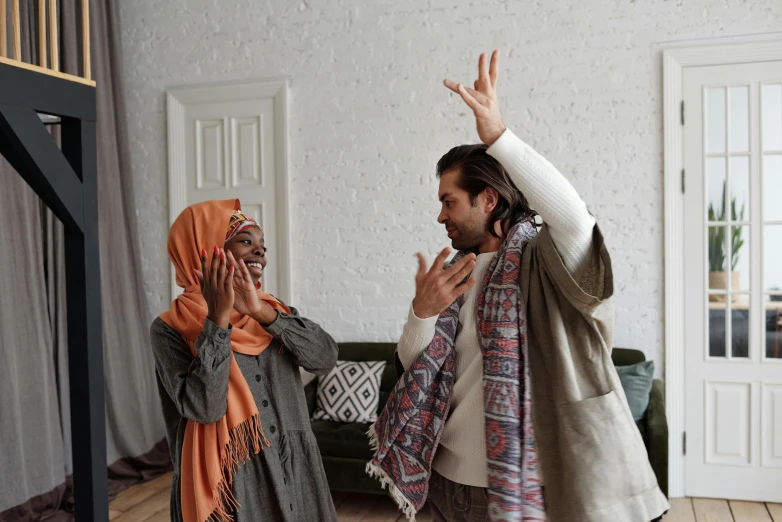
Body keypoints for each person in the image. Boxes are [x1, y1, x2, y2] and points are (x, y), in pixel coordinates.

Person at [367, 51, 669, 522]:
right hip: (445, 483)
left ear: (488, 199)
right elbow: (415, 365)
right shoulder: (455, 272)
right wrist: (421, 313)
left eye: (449, 201)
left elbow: (575, 219)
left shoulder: (547, 261)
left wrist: (500, 138)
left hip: (522, 485)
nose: (440, 215)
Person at [150, 199, 339, 522]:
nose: (260, 253)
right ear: (207, 248)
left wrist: (262, 313)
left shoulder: (272, 309)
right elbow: (204, 408)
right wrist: (218, 321)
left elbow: (325, 358)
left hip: (295, 471)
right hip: (231, 483)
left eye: (262, 246)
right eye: (246, 241)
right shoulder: (170, 327)